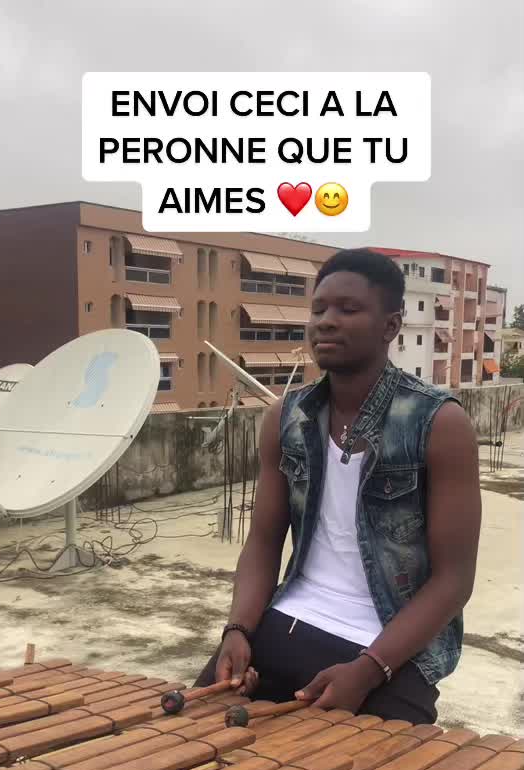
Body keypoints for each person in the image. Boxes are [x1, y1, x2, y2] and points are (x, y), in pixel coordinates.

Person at [196, 249, 481, 722]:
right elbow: (263, 541)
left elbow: (454, 581)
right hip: (290, 620)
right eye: (319, 309)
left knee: (373, 769)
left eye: (348, 309)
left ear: (390, 326)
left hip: (390, 647)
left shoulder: (438, 422)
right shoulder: (286, 418)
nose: (326, 321)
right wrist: (238, 630)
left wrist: (368, 670)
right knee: (189, 740)